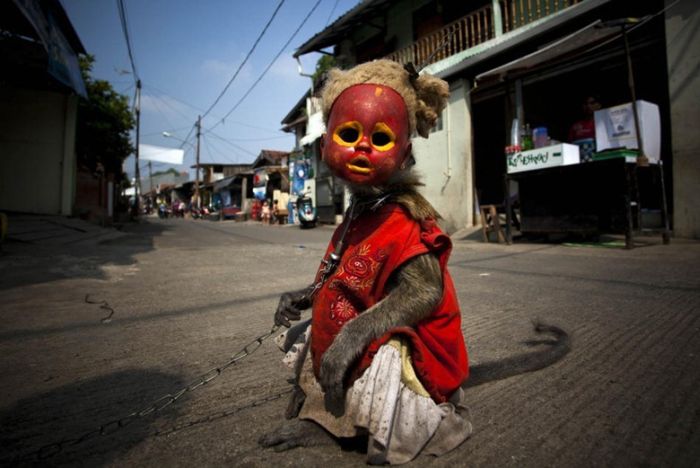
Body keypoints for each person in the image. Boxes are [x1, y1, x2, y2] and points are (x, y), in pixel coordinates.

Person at [260, 59, 471, 464]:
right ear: (326, 147)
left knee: (370, 345)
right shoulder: (362, 209)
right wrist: (304, 297)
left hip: (418, 344)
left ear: (404, 154)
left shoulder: (406, 218)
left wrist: (353, 336)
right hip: (365, 321)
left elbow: (425, 293)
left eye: (379, 138)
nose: (361, 148)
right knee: (314, 330)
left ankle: (352, 430)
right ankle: (330, 414)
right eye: (350, 134)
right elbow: (345, 275)